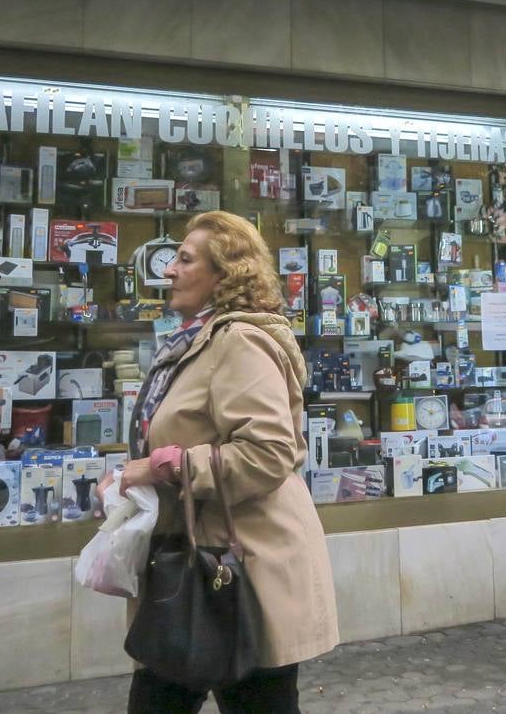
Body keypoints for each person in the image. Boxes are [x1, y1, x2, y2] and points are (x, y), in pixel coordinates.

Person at [102, 211, 338, 714]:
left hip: (239, 573)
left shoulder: (239, 341)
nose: (168, 269)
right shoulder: (198, 339)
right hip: (191, 567)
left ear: (224, 276)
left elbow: (269, 451)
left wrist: (160, 468)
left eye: (185, 260)